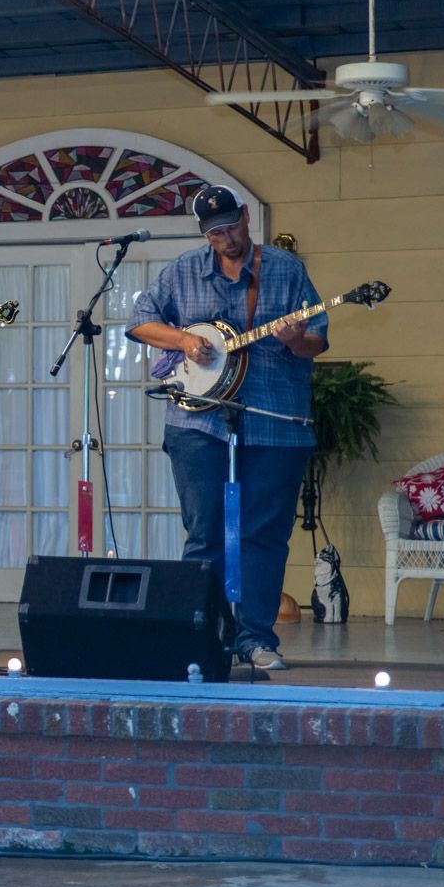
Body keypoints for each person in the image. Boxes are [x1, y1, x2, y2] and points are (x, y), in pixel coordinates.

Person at [128, 185, 327, 675]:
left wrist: (296, 337)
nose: (227, 240)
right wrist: (183, 340)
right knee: (204, 533)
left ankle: (256, 638)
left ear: (245, 217)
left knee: (263, 534)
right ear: (204, 234)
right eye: (215, 234)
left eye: (232, 227)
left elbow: (317, 341)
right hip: (198, 420)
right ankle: (202, 636)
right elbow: (139, 321)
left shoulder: (285, 269)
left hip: (274, 417)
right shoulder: (183, 270)